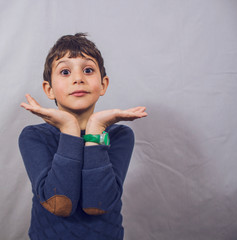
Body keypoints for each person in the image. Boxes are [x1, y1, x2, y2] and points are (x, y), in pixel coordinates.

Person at [18, 33, 147, 240]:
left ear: (103, 85)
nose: (78, 78)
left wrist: (95, 128)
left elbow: (98, 204)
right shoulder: (34, 136)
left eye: (88, 70)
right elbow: (60, 205)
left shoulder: (120, 135)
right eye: (65, 71)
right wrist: (70, 129)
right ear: (48, 89)